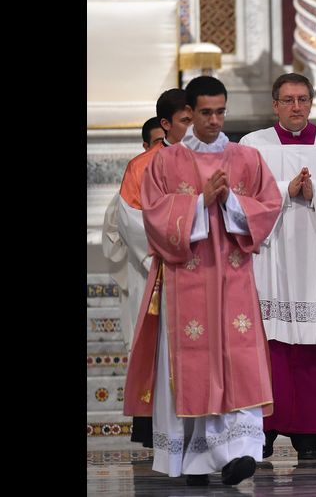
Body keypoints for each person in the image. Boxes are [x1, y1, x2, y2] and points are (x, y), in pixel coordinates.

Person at [122, 76, 282, 486]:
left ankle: (239, 452)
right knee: (197, 364)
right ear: (189, 113)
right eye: (206, 112)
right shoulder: (165, 161)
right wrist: (200, 202)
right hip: (186, 279)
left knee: (239, 359)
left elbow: (268, 208)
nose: (215, 120)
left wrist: (232, 202)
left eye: (221, 111)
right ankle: (197, 458)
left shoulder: (246, 158)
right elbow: (154, 218)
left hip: (234, 281)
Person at [239, 73, 316, 461]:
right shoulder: (251, 146)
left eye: (304, 99)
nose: (297, 107)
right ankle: (264, 429)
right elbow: (240, 199)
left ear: (312, 102)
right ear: (274, 104)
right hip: (270, 260)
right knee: (267, 345)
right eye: (289, 100)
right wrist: (283, 191)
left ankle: (311, 432)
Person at [102, 91, 193, 448]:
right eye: (187, 119)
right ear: (167, 124)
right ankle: (155, 428)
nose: (197, 125)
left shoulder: (208, 158)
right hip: (156, 270)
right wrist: (174, 250)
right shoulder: (142, 166)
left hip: (198, 271)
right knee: (158, 350)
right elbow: (131, 220)